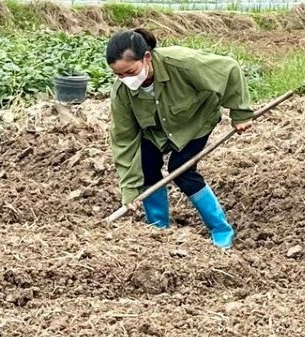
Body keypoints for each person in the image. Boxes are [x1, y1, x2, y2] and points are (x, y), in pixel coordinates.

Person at [105, 28, 250, 249]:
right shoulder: (122, 92)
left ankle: (221, 229)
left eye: (130, 72)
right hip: (155, 132)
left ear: (146, 58)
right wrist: (129, 189)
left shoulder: (183, 63)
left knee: (182, 171)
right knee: (146, 167)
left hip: (194, 123)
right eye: (119, 75)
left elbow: (229, 69)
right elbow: (124, 140)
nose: (126, 80)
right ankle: (158, 229)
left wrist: (240, 113)